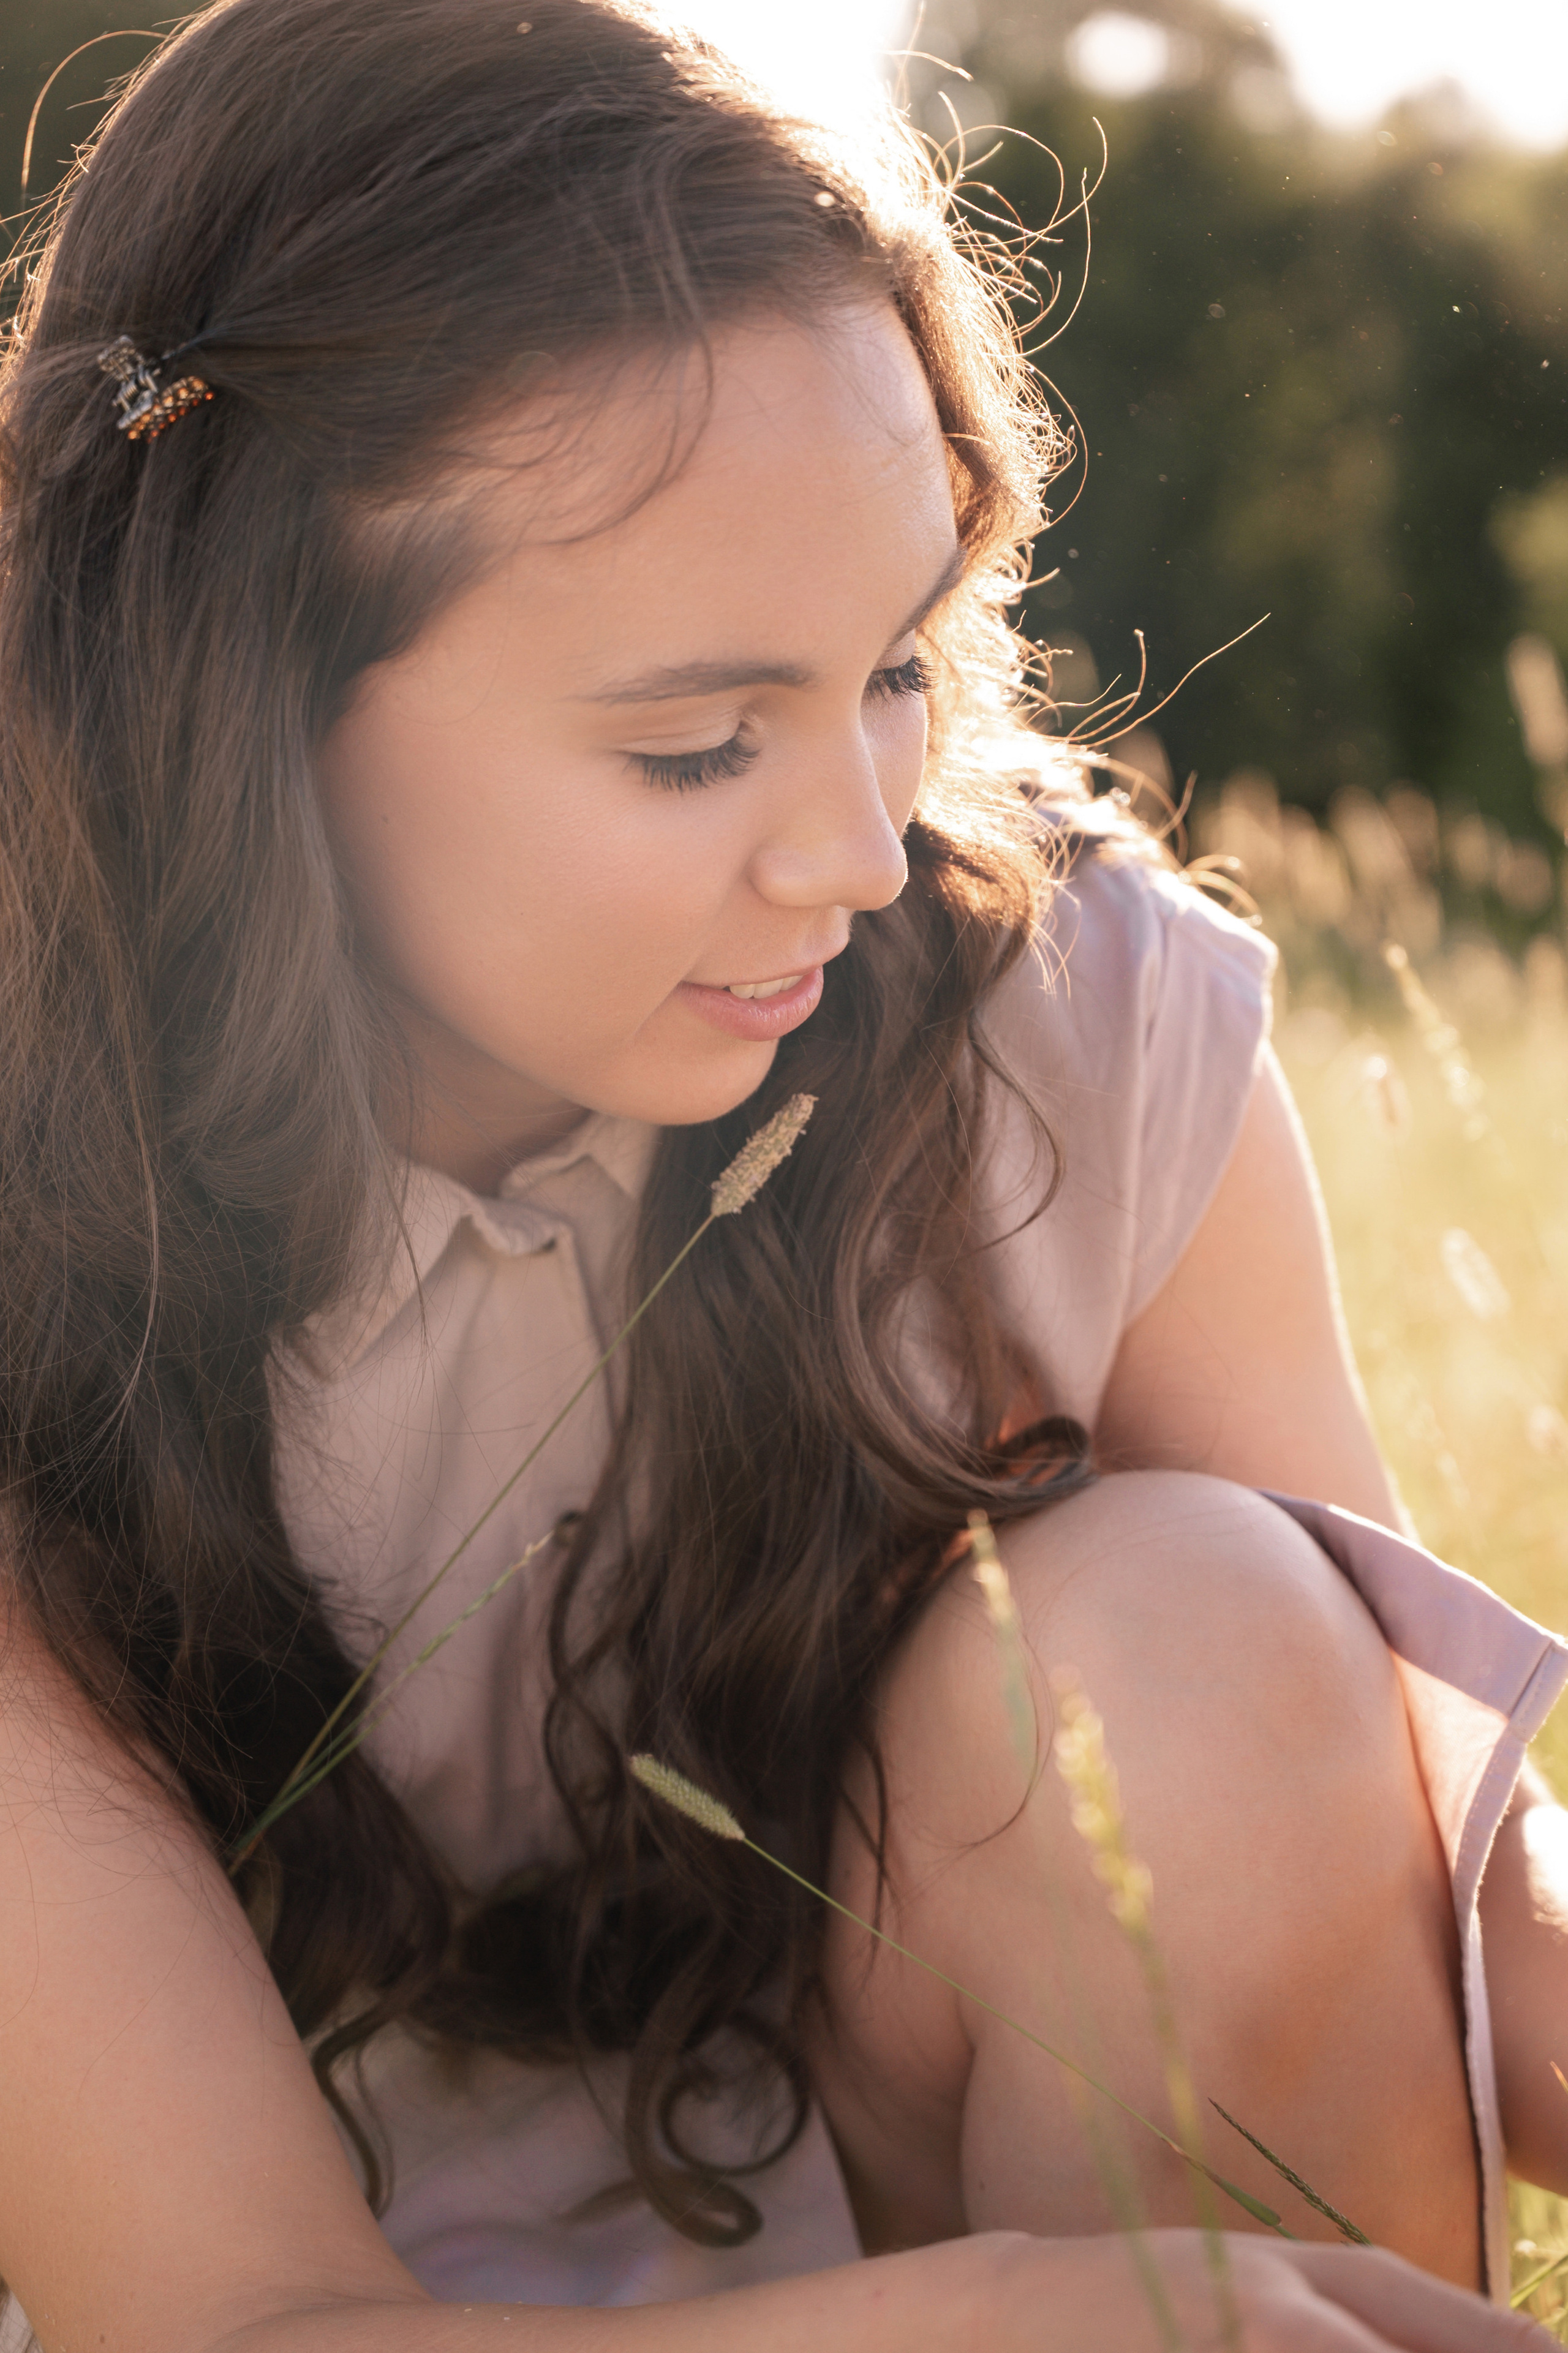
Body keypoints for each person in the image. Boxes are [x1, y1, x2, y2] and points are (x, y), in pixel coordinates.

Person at [0, 3, 1561, 2347]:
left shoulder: (1047, 1022)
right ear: (236, 702)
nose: (855, 849)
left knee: (1211, 1631)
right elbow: (231, 2317)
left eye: (900, 665)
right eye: (700, 745)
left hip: (919, 2178)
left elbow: (1410, 1873)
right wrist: (1106, 2317)